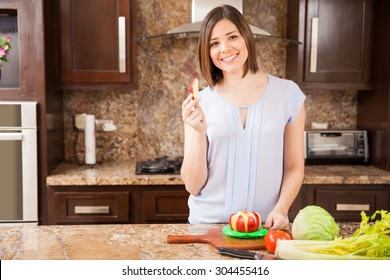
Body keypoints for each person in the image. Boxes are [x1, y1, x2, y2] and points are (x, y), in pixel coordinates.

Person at [180, 5, 305, 230]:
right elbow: (192, 186)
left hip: (264, 227)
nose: (225, 48)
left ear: (246, 37)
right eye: (214, 43)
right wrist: (199, 135)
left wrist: (281, 208)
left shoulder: (288, 94)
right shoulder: (201, 101)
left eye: (232, 37)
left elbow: (294, 167)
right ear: (207, 52)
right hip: (208, 227)